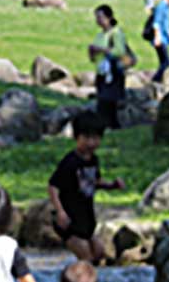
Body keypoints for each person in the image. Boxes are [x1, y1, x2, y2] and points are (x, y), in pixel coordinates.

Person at [49, 112, 125, 265]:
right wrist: (60, 211)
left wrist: (111, 185)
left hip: (87, 219)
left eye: (96, 138)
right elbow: (53, 186)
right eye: (87, 138)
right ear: (76, 137)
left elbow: (94, 181)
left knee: (99, 254)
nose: (91, 143)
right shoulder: (70, 162)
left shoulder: (93, 160)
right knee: (87, 259)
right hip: (70, 221)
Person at [87, 4, 135, 129]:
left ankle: (109, 128)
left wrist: (100, 49)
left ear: (109, 18)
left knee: (107, 103)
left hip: (113, 73)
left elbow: (119, 51)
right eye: (96, 17)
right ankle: (109, 128)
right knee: (104, 103)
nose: (98, 20)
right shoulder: (100, 35)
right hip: (102, 73)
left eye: (100, 17)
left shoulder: (116, 33)